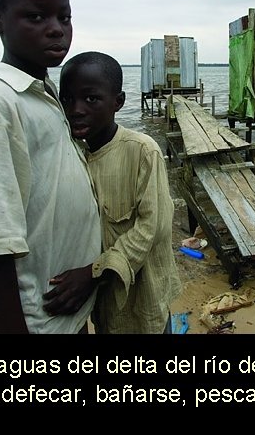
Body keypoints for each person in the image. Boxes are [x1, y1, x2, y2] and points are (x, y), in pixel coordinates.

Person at [0, 0, 102, 333]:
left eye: (63, 18)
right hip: (36, 324)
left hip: (66, 309)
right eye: (36, 17)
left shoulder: (42, 93)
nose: (56, 30)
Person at [57, 51, 182, 333]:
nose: (76, 109)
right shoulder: (71, 155)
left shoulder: (142, 151)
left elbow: (152, 227)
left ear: (118, 102)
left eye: (91, 99)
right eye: (67, 99)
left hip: (143, 294)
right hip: (100, 302)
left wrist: (94, 272)